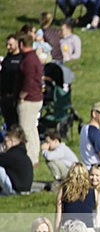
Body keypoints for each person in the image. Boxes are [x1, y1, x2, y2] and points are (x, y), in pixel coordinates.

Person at [15, 33, 43, 167]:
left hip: (29, 99)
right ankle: (34, 156)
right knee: (32, 129)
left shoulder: (28, 60)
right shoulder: (33, 57)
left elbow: (29, 81)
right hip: (36, 98)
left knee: (25, 129)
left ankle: (30, 159)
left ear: (21, 44)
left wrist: (22, 95)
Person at [54, 163, 96, 232]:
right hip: (87, 230)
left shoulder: (64, 190)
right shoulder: (93, 192)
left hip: (69, 230)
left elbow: (58, 216)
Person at [0, 126, 33, 195]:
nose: (4, 144)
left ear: (13, 142)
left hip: (16, 191)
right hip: (25, 189)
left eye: (6, 141)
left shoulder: (12, 154)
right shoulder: (21, 153)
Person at [1, 34, 22, 129]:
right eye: (7, 44)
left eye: (10, 45)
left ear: (17, 44)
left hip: (15, 95)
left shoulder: (22, 58)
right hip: (4, 95)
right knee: (8, 121)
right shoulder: (7, 58)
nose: (8, 47)